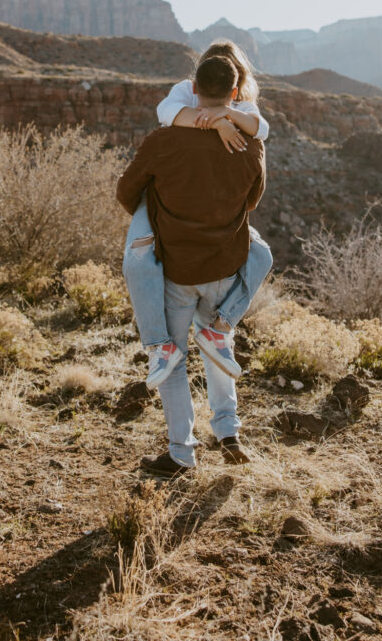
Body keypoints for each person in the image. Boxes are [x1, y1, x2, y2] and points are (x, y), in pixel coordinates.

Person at [116, 54, 268, 477]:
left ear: (193, 89)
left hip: (176, 270)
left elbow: (127, 192)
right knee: (219, 344)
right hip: (224, 265)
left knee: (172, 359)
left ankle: (182, 453)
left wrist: (159, 216)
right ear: (235, 95)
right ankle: (228, 432)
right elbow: (251, 200)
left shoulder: (162, 141)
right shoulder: (251, 145)